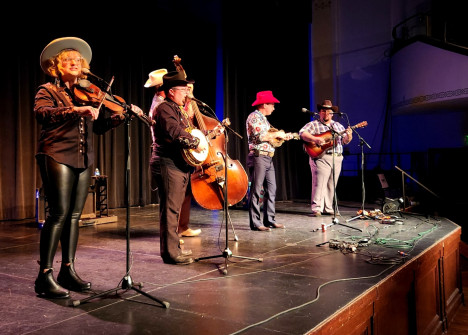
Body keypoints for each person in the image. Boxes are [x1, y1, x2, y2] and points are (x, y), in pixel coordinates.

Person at [34, 37, 142, 298]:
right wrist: (76, 110)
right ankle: (44, 275)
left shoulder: (87, 92)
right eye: (68, 60)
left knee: (74, 216)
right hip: (56, 154)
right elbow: (42, 114)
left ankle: (67, 270)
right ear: (56, 67)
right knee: (58, 214)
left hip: (83, 159)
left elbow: (99, 127)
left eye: (77, 60)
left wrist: (119, 117)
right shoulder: (47, 90)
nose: (74, 63)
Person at [150, 71, 207, 265]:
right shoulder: (165, 108)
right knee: (170, 210)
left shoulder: (177, 108)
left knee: (174, 209)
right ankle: (170, 254)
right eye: (183, 90)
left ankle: (174, 249)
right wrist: (194, 142)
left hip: (178, 164)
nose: (187, 94)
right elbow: (175, 132)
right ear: (172, 91)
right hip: (167, 163)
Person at [299, 99, 353, 216]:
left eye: (328, 111)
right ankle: (317, 208)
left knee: (331, 185)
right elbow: (302, 133)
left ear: (332, 113)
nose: (326, 113)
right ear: (320, 112)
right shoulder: (314, 124)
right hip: (321, 157)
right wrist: (315, 139)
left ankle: (328, 208)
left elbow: (344, 141)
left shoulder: (338, 126)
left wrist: (349, 135)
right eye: (323, 111)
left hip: (337, 157)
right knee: (319, 183)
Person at [246, 91, 290, 231]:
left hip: (268, 157)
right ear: (264, 104)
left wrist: (283, 136)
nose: (274, 107)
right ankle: (256, 222)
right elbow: (261, 136)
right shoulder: (254, 117)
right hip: (259, 156)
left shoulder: (264, 119)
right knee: (256, 190)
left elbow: (271, 136)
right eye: (272, 104)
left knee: (272, 188)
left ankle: (269, 219)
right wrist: (278, 134)